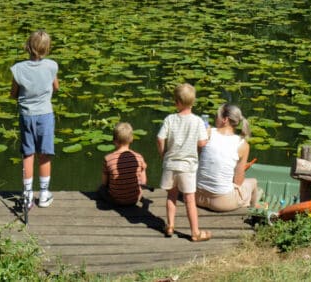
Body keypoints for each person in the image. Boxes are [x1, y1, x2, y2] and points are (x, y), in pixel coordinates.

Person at [10, 30, 59, 211]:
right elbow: (56, 87)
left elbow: (13, 93)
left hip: (26, 116)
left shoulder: (18, 69)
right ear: (47, 49)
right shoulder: (52, 66)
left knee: (28, 154)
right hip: (45, 115)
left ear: (28, 47)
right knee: (45, 154)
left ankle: (28, 195)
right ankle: (44, 195)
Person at [156, 83, 211, 241]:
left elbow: (160, 138)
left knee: (171, 196)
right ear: (192, 102)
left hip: (170, 164)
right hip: (187, 167)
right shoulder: (198, 121)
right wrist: (207, 134)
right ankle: (195, 232)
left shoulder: (170, 119)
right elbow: (201, 143)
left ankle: (170, 226)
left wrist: (163, 154)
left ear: (177, 102)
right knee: (189, 199)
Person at [195, 103, 259, 212]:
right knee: (253, 182)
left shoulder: (208, 133)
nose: (215, 118)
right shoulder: (242, 144)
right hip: (221, 203)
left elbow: (200, 157)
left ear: (225, 119)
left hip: (197, 197)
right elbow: (238, 182)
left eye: (217, 116)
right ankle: (254, 210)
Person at [100, 121, 148, 206]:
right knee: (142, 171)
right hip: (135, 198)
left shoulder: (108, 159)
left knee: (101, 189)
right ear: (131, 139)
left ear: (114, 140)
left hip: (115, 200)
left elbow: (104, 182)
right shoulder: (139, 157)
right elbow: (143, 182)